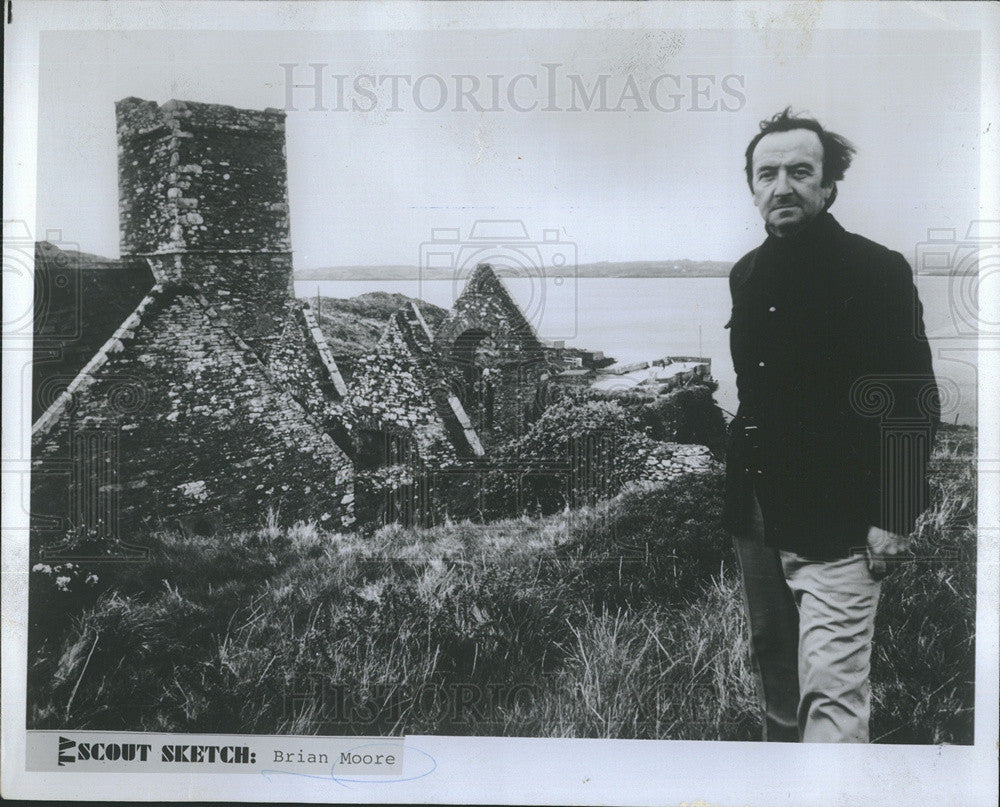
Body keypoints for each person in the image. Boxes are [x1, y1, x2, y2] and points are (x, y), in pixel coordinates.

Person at [723, 108, 940, 742]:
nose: (782, 186)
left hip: (841, 523)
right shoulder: (746, 273)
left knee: (833, 698)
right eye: (768, 173)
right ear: (753, 188)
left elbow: (912, 400)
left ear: (828, 185)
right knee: (778, 687)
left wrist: (896, 516)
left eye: (799, 171)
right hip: (757, 517)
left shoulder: (876, 270)